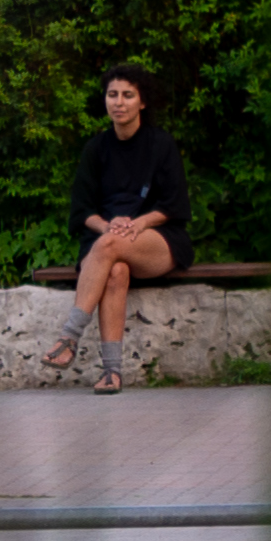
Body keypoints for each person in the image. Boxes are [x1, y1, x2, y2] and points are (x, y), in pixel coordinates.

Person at [58, 72, 194, 390]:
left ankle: (69, 336)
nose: (118, 102)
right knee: (116, 270)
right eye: (112, 94)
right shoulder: (95, 149)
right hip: (105, 240)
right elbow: (81, 211)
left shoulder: (161, 144)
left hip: (156, 239)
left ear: (142, 102)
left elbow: (175, 205)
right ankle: (112, 372)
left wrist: (139, 223)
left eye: (127, 95)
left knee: (109, 247)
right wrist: (107, 226)